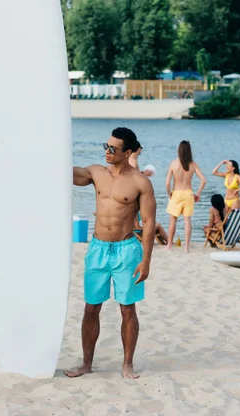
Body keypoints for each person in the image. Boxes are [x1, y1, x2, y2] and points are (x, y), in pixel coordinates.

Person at [66, 127, 156, 379]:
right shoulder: (96, 172)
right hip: (97, 249)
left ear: (127, 152)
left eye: (113, 149)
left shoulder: (140, 182)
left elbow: (148, 223)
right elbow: (64, 173)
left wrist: (146, 260)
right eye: (105, 146)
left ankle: (127, 364)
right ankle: (86, 363)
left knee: (127, 309)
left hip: (127, 250)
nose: (107, 152)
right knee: (90, 308)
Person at [165, 140, 206, 253]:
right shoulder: (193, 164)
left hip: (176, 193)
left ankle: (169, 246)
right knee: (187, 221)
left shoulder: (173, 163)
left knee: (172, 221)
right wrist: (198, 193)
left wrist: (169, 194)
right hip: (188, 194)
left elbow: (167, 183)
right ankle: (186, 247)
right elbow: (203, 180)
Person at [129, 141, 167, 243]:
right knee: (156, 225)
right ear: (135, 150)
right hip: (134, 192)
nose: (139, 154)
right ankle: (170, 242)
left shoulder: (130, 160)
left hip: (133, 192)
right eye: (139, 152)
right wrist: (144, 174)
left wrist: (143, 173)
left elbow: (132, 174)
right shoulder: (133, 160)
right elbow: (133, 177)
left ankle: (168, 242)